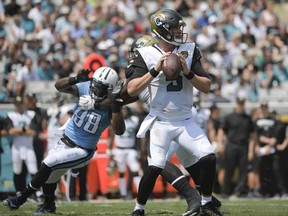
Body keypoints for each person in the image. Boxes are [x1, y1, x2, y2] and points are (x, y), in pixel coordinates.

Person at [126, 9, 222, 216]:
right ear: (161, 30)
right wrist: (154, 70)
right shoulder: (146, 53)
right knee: (155, 165)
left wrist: (188, 73)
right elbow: (132, 89)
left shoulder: (190, 49)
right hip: (161, 121)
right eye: (175, 28)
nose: (179, 31)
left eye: (179, 27)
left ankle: (206, 203)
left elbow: (206, 86)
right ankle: (138, 209)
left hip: (186, 119)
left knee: (208, 156)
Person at [2, 67, 125, 214]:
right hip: (65, 140)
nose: (96, 89)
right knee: (50, 176)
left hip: (82, 149)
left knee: (48, 163)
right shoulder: (86, 87)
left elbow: (119, 130)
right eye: (95, 84)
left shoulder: (111, 104)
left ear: (110, 89)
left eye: (101, 87)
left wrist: (116, 107)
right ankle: (48, 205)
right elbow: (58, 86)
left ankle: (21, 198)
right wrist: (75, 79)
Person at [217, 96, 255, 198]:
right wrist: (220, 144)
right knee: (228, 169)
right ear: (236, 104)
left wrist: (251, 151)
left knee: (243, 171)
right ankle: (225, 192)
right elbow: (221, 130)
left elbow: (252, 136)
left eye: (242, 103)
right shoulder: (229, 117)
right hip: (231, 145)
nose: (241, 105)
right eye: (239, 103)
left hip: (244, 146)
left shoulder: (248, 118)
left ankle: (240, 192)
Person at [110, 106, 141, 200]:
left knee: (136, 170)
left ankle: (141, 193)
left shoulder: (134, 120)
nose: (124, 112)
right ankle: (123, 194)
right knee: (121, 172)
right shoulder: (116, 120)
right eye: (122, 110)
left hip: (131, 149)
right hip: (119, 149)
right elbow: (112, 135)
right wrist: (109, 150)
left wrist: (139, 149)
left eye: (125, 110)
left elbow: (138, 136)